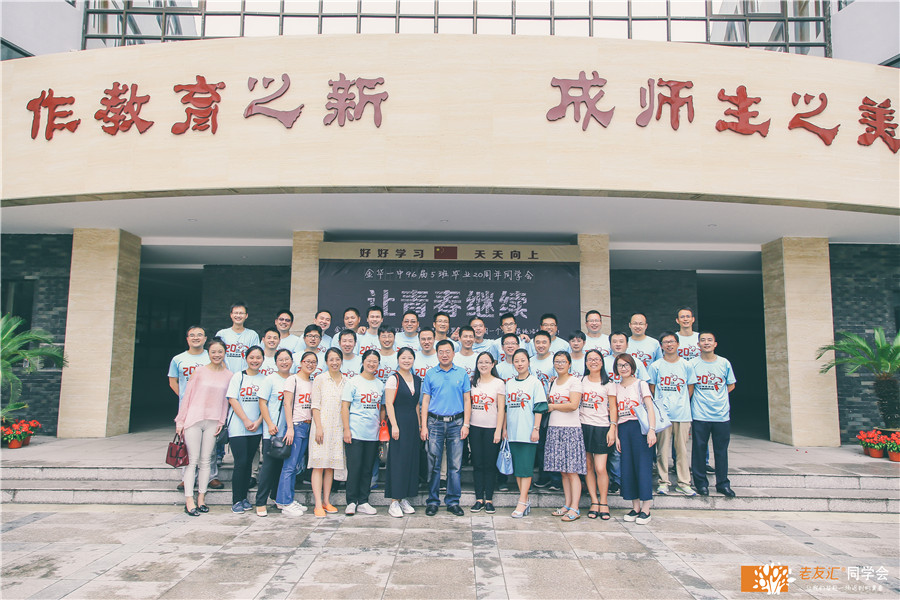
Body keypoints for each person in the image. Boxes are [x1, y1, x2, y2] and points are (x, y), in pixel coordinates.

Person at [174, 337, 231, 516]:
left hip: (213, 421)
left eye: (220, 352)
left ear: (225, 353)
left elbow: (226, 402)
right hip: (194, 419)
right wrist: (180, 421)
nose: (217, 355)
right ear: (209, 353)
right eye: (213, 352)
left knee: (206, 460)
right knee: (192, 461)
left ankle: (201, 498)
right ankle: (189, 500)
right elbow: (187, 396)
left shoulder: (229, 375)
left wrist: (221, 421)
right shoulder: (199, 372)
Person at [168, 326, 223, 491]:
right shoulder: (178, 359)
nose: (196, 338)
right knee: (188, 445)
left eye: (200, 335)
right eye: (192, 335)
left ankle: (212, 477)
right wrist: (188, 398)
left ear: (205, 339)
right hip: (188, 409)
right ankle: (187, 478)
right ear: (187, 339)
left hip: (210, 409)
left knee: (210, 446)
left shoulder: (212, 355)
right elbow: (173, 381)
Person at [420, 339, 471, 516]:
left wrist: (466, 424)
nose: (444, 355)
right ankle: (433, 501)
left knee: (455, 466)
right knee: (433, 464)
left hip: (457, 423)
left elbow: (467, 400)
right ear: (437, 354)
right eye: (441, 352)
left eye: (448, 351)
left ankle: (453, 501)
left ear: (453, 353)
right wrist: (423, 426)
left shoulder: (462, 373)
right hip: (434, 423)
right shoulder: (430, 374)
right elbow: (425, 401)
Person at [689, 331, 737, 498]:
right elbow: (690, 387)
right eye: (703, 340)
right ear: (698, 345)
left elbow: (731, 384)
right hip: (700, 414)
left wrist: (718, 397)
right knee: (699, 450)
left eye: (710, 340)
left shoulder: (724, 363)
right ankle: (701, 484)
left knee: (721, 451)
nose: (706, 343)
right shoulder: (692, 364)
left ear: (715, 344)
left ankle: (723, 484)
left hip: (721, 415)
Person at [649, 332, 697, 496]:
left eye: (672, 342)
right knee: (662, 450)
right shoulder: (656, 366)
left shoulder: (686, 365)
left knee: (682, 450)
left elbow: (690, 387)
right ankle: (663, 482)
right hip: (663, 415)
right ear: (661, 346)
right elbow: (652, 388)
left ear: (677, 344)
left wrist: (680, 401)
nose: (669, 345)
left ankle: (684, 483)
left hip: (682, 414)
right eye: (665, 342)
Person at [612, 353, 656, 525]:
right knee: (628, 468)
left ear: (632, 367)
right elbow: (615, 413)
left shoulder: (640, 384)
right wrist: (616, 436)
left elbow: (650, 407)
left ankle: (646, 509)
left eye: (626, 365)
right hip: (624, 429)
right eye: (620, 365)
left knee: (643, 467)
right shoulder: (615, 387)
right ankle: (635, 507)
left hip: (640, 428)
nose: (623, 368)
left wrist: (651, 430)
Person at [504, 349, 548, 518]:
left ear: (528, 362)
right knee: (518, 468)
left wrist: (536, 429)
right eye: (516, 361)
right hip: (513, 432)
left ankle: (522, 501)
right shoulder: (509, 383)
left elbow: (539, 407)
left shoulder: (535, 383)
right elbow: (506, 408)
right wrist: (505, 429)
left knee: (526, 467)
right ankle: (525, 499)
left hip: (528, 431)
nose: (520, 364)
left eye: (523, 360)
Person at [341, 349, 385, 515]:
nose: (371, 364)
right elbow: (345, 407)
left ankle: (364, 501)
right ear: (363, 362)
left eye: (375, 362)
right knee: (355, 468)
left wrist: (381, 427)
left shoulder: (380, 384)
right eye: (369, 361)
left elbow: (382, 408)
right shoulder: (353, 382)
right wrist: (346, 429)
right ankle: (351, 501)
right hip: (355, 432)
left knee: (367, 469)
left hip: (372, 434)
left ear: (378, 364)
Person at [544, 351, 586, 522]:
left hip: (571, 430)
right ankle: (567, 504)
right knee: (563, 471)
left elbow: (573, 405)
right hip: (554, 428)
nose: (560, 364)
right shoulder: (552, 382)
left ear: (569, 364)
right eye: (557, 361)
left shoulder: (574, 381)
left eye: (563, 361)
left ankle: (575, 507)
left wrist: (553, 406)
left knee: (572, 471)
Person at [225, 345, 266, 513]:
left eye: (258, 358)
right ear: (246, 358)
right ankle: (236, 500)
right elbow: (232, 399)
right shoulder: (238, 377)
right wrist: (246, 420)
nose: (255, 360)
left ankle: (244, 498)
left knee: (249, 463)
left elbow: (266, 404)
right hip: (238, 427)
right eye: (252, 357)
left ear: (263, 359)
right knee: (240, 463)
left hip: (256, 428)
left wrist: (258, 421)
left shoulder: (265, 379)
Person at [276, 351, 317, 516]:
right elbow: (287, 404)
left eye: (313, 362)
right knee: (289, 466)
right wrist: (290, 427)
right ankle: (284, 502)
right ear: (301, 363)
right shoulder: (292, 380)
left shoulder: (312, 382)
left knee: (296, 466)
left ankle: (288, 499)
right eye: (307, 361)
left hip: (308, 426)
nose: (310, 364)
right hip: (296, 426)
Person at [254, 348, 293, 516]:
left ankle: (277, 498)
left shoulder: (294, 379)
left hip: (288, 431)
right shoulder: (270, 379)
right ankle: (260, 502)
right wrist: (269, 424)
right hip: (272, 431)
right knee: (268, 468)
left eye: (287, 359)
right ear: (276, 362)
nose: (284, 362)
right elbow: (262, 403)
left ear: (292, 361)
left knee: (281, 468)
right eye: (281, 360)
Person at [384, 347, 421, 518]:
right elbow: (389, 404)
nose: (406, 361)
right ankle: (394, 501)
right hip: (398, 422)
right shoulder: (394, 379)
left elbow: (416, 405)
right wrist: (394, 425)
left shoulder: (417, 379)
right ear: (398, 360)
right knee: (398, 461)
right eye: (403, 358)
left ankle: (404, 498)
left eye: (409, 358)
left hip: (412, 423)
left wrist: (419, 426)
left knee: (410, 460)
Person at [309, 347, 346, 517]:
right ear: (326, 362)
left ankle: (326, 501)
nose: (334, 362)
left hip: (337, 428)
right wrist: (319, 427)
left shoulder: (346, 381)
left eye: (337, 359)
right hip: (321, 428)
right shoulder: (320, 379)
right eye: (331, 359)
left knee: (330, 466)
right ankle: (317, 504)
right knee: (319, 465)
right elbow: (315, 406)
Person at [580, 349, 616, 520]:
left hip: (602, 427)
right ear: (586, 363)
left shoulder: (609, 384)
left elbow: (613, 408)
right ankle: (594, 501)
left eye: (596, 359)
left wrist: (612, 428)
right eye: (589, 359)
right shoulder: (581, 381)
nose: (593, 362)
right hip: (583, 426)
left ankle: (604, 501)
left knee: (600, 468)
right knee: (588, 466)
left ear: (602, 362)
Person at [468, 351, 505, 514]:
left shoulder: (499, 383)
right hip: (474, 428)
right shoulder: (472, 382)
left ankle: (489, 499)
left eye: (486, 362)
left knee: (490, 465)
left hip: (492, 429)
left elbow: (501, 409)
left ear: (492, 364)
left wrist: (498, 430)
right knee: (477, 464)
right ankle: (478, 499)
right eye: (480, 362)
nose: (483, 365)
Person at [216, 302, 260, 373]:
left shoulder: (252, 335)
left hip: (245, 375)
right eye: (236, 313)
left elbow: (256, 356)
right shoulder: (222, 334)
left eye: (241, 313)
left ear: (246, 315)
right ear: (231, 315)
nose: (238, 315)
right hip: (224, 374)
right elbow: (216, 355)